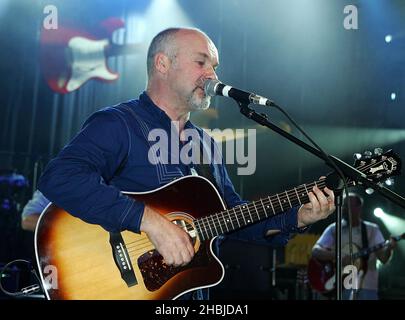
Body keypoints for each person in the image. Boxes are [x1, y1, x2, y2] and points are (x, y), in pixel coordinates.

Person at [38, 27, 335, 299]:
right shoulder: (119, 124)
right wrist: (151, 222)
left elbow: (231, 217)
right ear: (162, 64)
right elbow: (60, 177)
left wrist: (296, 217)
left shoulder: (205, 144)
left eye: (214, 67)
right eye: (201, 62)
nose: (212, 76)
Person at [311, 192, 397, 300]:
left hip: (367, 288)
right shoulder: (334, 228)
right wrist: (338, 256)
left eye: (347, 205)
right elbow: (315, 251)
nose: (344, 209)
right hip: (339, 287)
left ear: (359, 208)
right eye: (343, 205)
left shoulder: (372, 230)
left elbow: (383, 259)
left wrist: (389, 248)